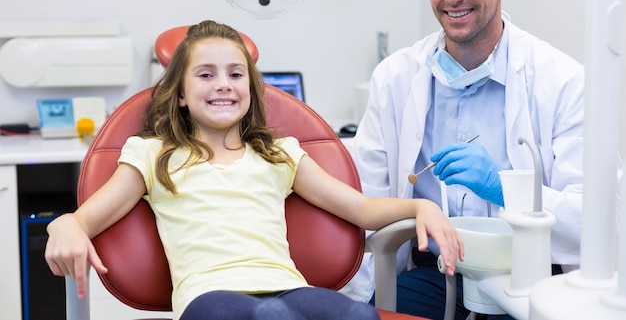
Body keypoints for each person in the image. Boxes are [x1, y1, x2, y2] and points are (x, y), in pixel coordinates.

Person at [44, 19, 463, 320]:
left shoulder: (279, 154)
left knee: (357, 317)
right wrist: (64, 225)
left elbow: (362, 210)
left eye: (235, 74)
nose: (223, 84)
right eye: (206, 75)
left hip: (288, 287)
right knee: (271, 317)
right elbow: (85, 219)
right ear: (182, 95)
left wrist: (420, 209)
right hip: (207, 296)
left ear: (250, 87)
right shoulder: (153, 154)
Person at [341, 0, 587, 320]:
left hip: (527, 278)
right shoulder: (395, 78)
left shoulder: (563, 81)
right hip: (434, 275)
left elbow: (594, 222)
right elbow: (366, 203)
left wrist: (503, 190)